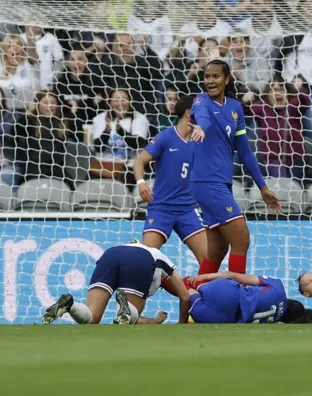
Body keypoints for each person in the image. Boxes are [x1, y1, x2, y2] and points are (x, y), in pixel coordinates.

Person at [189, 59, 281, 276]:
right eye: (207, 76)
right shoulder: (200, 101)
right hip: (206, 181)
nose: (210, 81)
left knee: (217, 250)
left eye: (215, 76)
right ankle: (237, 296)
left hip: (222, 182)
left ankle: (195, 294)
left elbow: (245, 152)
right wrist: (201, 127)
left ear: (226, 79)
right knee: (241, 239)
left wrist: (262, 187)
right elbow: (204, 120)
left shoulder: (235, 108)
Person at [133, 94, 208, 296]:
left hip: (188, 209)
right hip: (161, 208)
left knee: (209, 260)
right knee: (146, 260)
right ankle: (132, 309)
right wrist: (141, 183)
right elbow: (139, 161)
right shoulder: (166, 136)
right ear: (188, 113)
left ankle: (205, 305)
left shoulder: (201, 139)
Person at [43, 242, 191, 325]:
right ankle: (123, 305)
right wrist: (180, 324)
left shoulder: (142, 249)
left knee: (92, 318)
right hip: (140, 259)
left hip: (111, 254)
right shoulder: (163, 260)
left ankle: (70, 305)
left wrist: (155, 321)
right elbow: (185, 297)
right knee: (128, 318)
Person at [184, 272, 291, 324]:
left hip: (227, 292)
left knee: (188, 281)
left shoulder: (278, 287)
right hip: (221, 318)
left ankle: (172, 276)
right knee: (187, 292)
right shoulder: (272, 323)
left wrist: (203, 277)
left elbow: (234, 276)